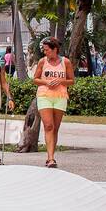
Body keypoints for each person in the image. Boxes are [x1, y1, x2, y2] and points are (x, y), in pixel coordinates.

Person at [35, 36, 74, 168]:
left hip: (60, 96)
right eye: (44, 50)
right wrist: (46, 81)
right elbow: (35, 79)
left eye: (47, 50)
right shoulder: (42, 62)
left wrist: (61, 81)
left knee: (55, 128)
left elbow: (71, 80)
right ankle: (50, 158)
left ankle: (52, 154)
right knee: (48, 126)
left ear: (55, 49)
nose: (45, 52)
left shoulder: (65, 62)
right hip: (44, 95)